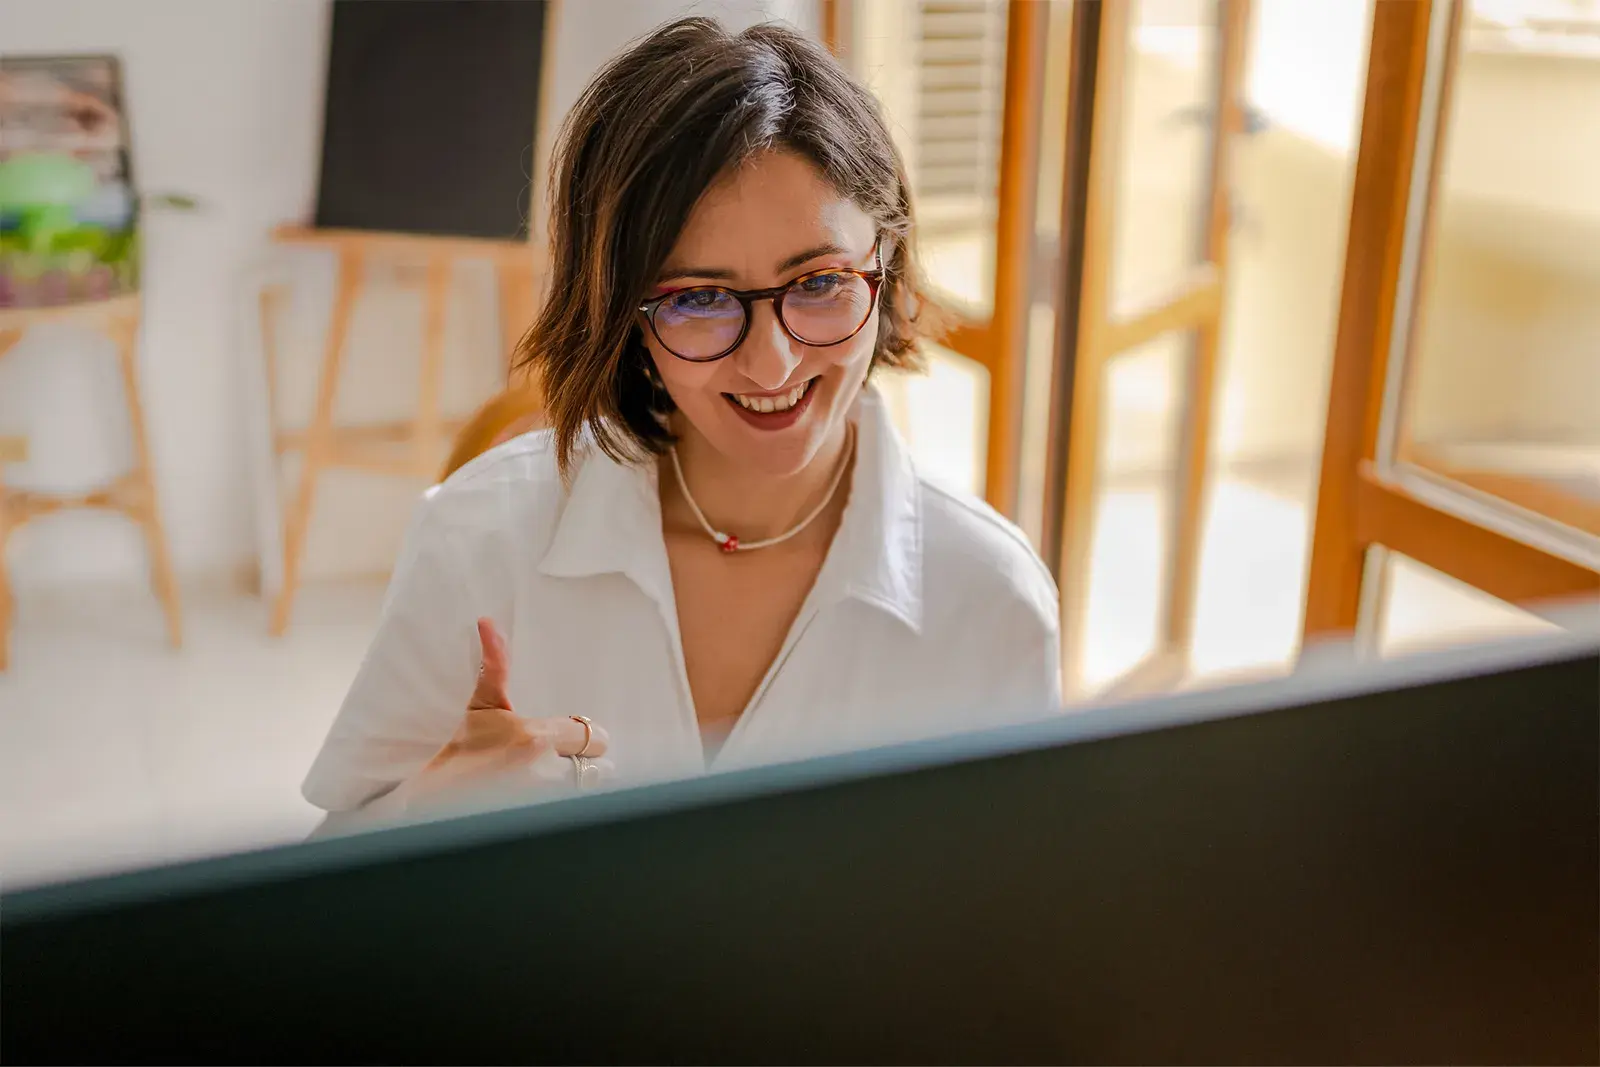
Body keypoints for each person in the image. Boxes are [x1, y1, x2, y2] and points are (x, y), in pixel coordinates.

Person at [302, 16, 1060, 826]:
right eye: (698, 298)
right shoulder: (479, 540)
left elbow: (1009, 924)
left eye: (819, 282)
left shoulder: (990, 601)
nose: (771, 365)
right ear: (621, 312)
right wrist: (431, 804)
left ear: (888, 263)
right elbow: (320, 883)